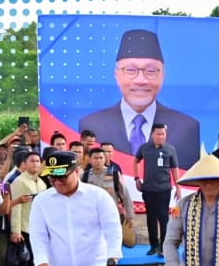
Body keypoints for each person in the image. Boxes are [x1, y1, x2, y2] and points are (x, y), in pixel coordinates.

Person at [79, 29, 202, 169]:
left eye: (150, 71)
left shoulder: (187, 127)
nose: (141, 80)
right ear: (117, 75)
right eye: (130, 70)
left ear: (162, 75)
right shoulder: (92, 123)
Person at [133, 123, 181, 256]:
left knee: (163, 218)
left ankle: (163, 246)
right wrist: (136, 178)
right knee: (151, 218)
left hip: (164, 189)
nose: (161, 136)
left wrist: (178, 186)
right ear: (152, 134)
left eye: (163, 134)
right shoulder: (144, 148)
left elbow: (174, 169)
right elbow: (135, 161)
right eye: (158, 134)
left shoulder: (170, 149)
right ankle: (153, 245)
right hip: (148, 189)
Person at [9, 150, 46, 266]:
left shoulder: (40, 182)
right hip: (24, 228)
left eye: (38, 161)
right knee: (22, 265)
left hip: (37, 229)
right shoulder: (20, 182)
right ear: (24, 164)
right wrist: (15, 230)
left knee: (32, 264)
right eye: (32, 161)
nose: (35, 164)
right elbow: (16, 207)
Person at [83, 147, 136, 225]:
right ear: (90, 160)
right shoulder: (85, 176)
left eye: (101, 158)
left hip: (111, 214)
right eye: (95, 158)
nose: (98, 161)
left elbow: (125, 194)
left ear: (105, 160)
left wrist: (130, 215)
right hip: (91, 215)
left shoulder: (114, 175)